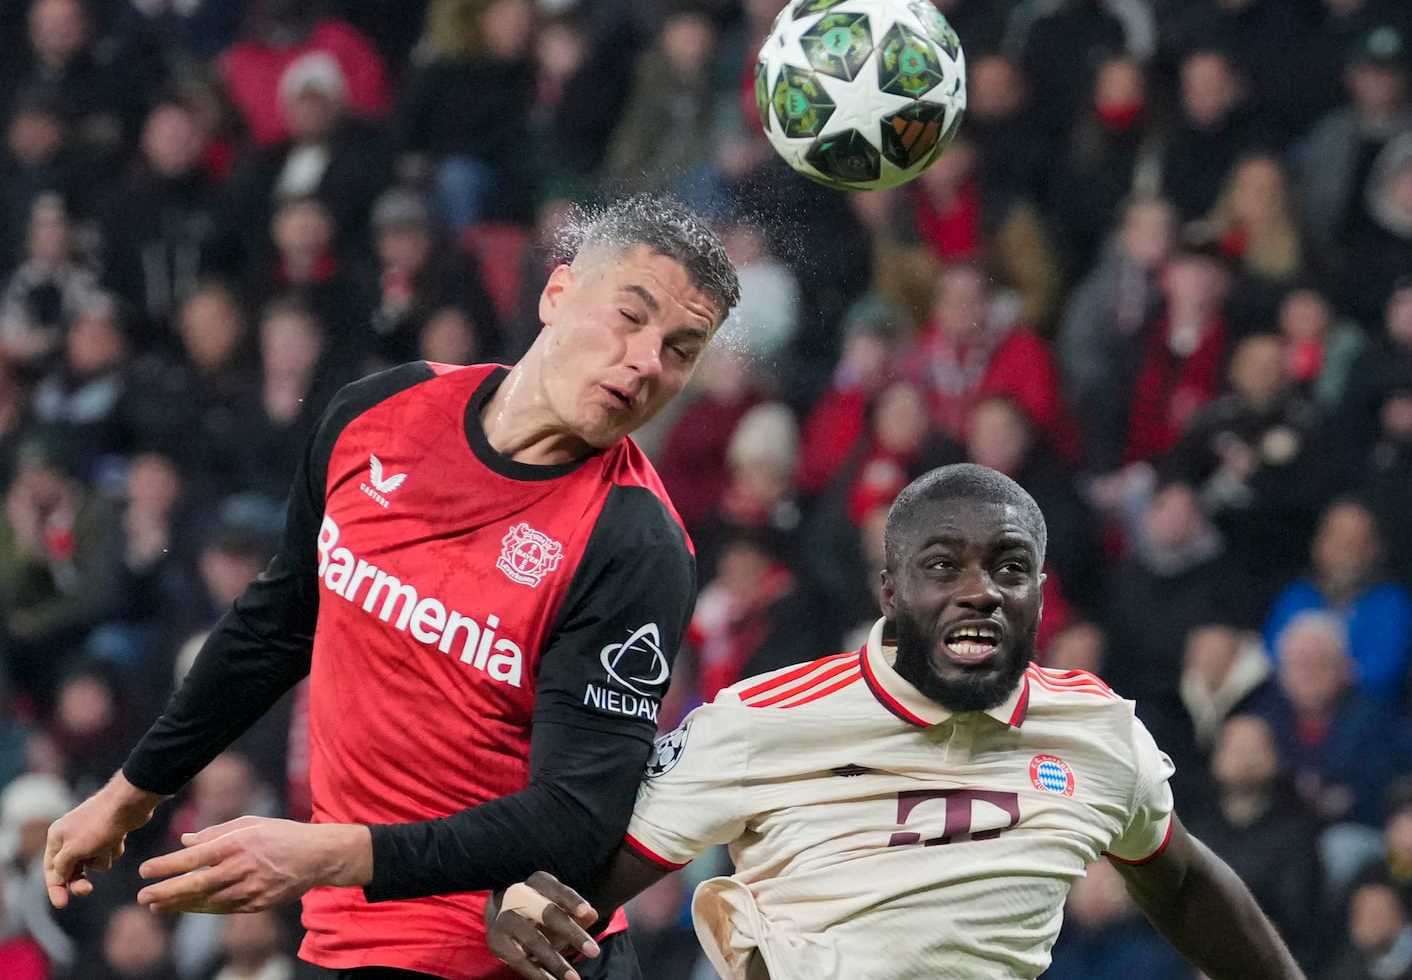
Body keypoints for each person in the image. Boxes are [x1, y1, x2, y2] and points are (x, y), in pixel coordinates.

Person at [42, 194, 742, 980]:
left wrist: (332, 853)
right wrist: (135, 790)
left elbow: (576, 818)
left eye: (682, 349)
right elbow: (277, 622)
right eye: (630, 317)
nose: (647, 360)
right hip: (343, 936)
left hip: (506, 956)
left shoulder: (635, 543)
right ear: (555, 294)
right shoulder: (380, 411)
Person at [487, 464, 1306, 980]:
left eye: (1009, 567)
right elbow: (575, 871)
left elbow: (1187, 879)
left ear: (1041, 594)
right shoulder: (763, 719)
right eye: (943, 565)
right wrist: (513, 903)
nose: (980, 588)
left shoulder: (1095, 732)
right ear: (889, 592)